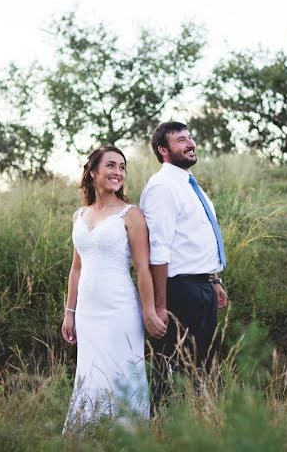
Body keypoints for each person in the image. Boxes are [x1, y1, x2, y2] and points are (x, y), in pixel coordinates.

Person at [61, 145, 167, 430]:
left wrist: (149, 311)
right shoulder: (79, 215)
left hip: (120, 309)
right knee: (90, 374)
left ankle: (127, 438)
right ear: (93, 172)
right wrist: (69, 312)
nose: (118, 172)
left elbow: (143, 269)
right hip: (87, 313)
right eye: (111, 165)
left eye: (122, 167)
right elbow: (76, 268)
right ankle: (88, 437)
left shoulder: (131, 214)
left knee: (121, 374)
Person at [139, 121, 229, 408]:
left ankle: (190, 428)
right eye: (181, 140)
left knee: (197, 366)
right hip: (179, 290)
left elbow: (195, 240)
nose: (191, 144)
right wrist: (160, 305)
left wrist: (214, 281)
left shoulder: (190, 185)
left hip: (202, 287)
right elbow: (159, 249)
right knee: (171, 368)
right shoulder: (162, 187)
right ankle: (160, 428)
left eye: (190, 138)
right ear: (163, 150)